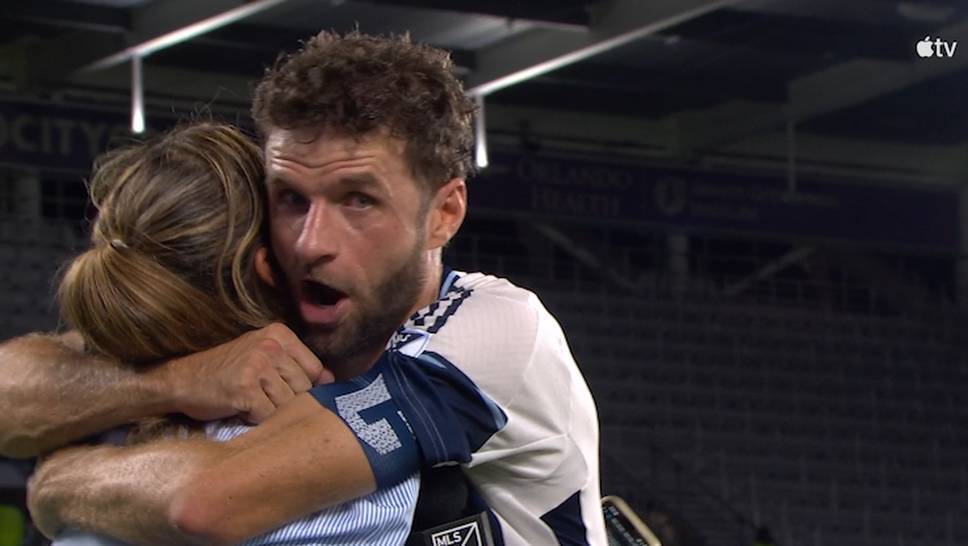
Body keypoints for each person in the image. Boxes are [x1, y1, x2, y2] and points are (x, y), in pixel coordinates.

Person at [16, 31, 607, 545]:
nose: (309, 242)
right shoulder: (275, 310)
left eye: (359, 200)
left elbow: (211, 501)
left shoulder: (497, 328)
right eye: (292, 199)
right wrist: (172, 381)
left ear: (444, 213)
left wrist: (60, 481)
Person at [49, 122, 419, 546]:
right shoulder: (365, 483)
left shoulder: (101, 473)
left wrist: (59, 481)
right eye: (295, 207)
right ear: (270, 267)